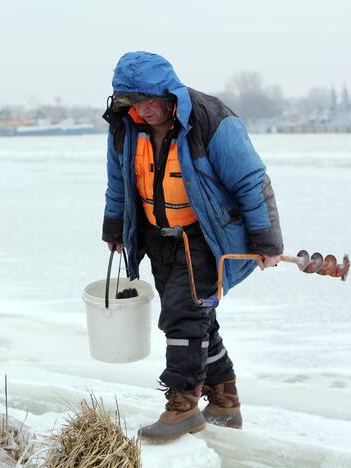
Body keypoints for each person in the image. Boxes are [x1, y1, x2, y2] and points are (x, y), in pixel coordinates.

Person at [101, 51, 283, 442]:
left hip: (205, 236)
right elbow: (119, 181)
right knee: (197, 318)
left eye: (150, 101)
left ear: (169, 93)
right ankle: (224, 398)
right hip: (156, 234)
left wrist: (267, 240)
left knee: (184, 316)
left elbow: (251, 181)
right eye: (134, 101)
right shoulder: (125, 125)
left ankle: (183, 405)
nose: (144, 110)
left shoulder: (212, 120)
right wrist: (115, 227)